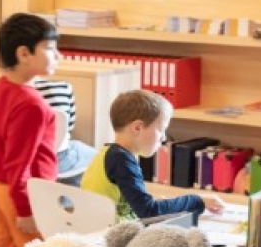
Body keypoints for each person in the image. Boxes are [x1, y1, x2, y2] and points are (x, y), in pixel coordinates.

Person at [0, 12, 61, 247]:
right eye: (50, 48)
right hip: (22, 194)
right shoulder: (31, 105)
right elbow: (19, 164)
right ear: (24, 54)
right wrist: (25, 209)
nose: (58, 55)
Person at [80, 89, 224, 220]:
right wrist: (196, 200)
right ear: (137, 128)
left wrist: (159, 203)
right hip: (112, 239)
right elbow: (149, 211)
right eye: (161, 129)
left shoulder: (109, 153)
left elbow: (139, 205)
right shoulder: (121, 160)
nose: (164, 138)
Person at [31, 77, 93, 184]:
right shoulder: (64, 87)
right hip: (62, 159)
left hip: (31, 161)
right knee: (100, 156)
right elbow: (69, 126)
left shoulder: (21, 92)